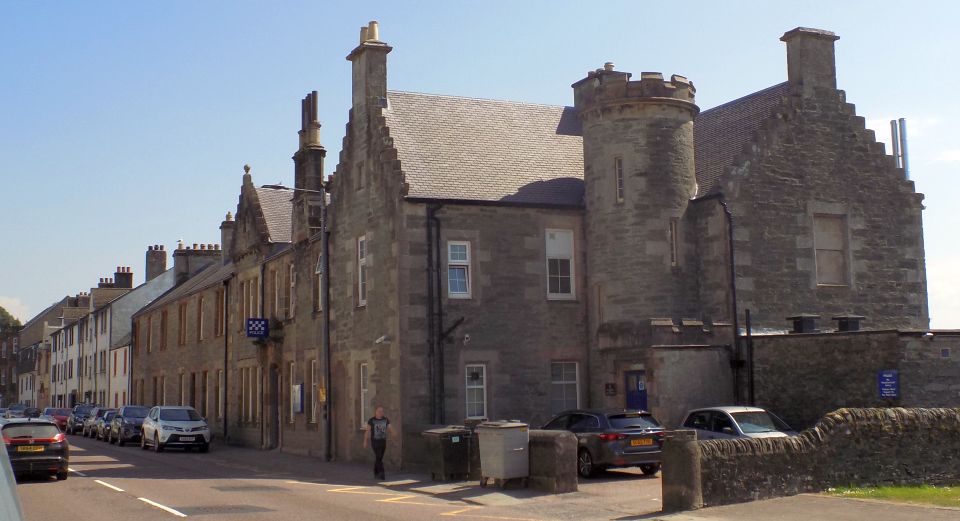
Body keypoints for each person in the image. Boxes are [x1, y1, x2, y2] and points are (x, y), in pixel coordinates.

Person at [363, 406, 394, 480]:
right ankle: (381, 473)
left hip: (383, 441)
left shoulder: (385, 420)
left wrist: (393, 434)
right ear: (375, 412)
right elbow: (367, 431)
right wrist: (365, 441)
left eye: (382, 411)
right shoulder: (371, 420)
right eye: (379, 411)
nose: (381, 413)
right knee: (379, 456)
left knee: (379, 457)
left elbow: (390, 428)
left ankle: (376, 471)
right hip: (375, 442)